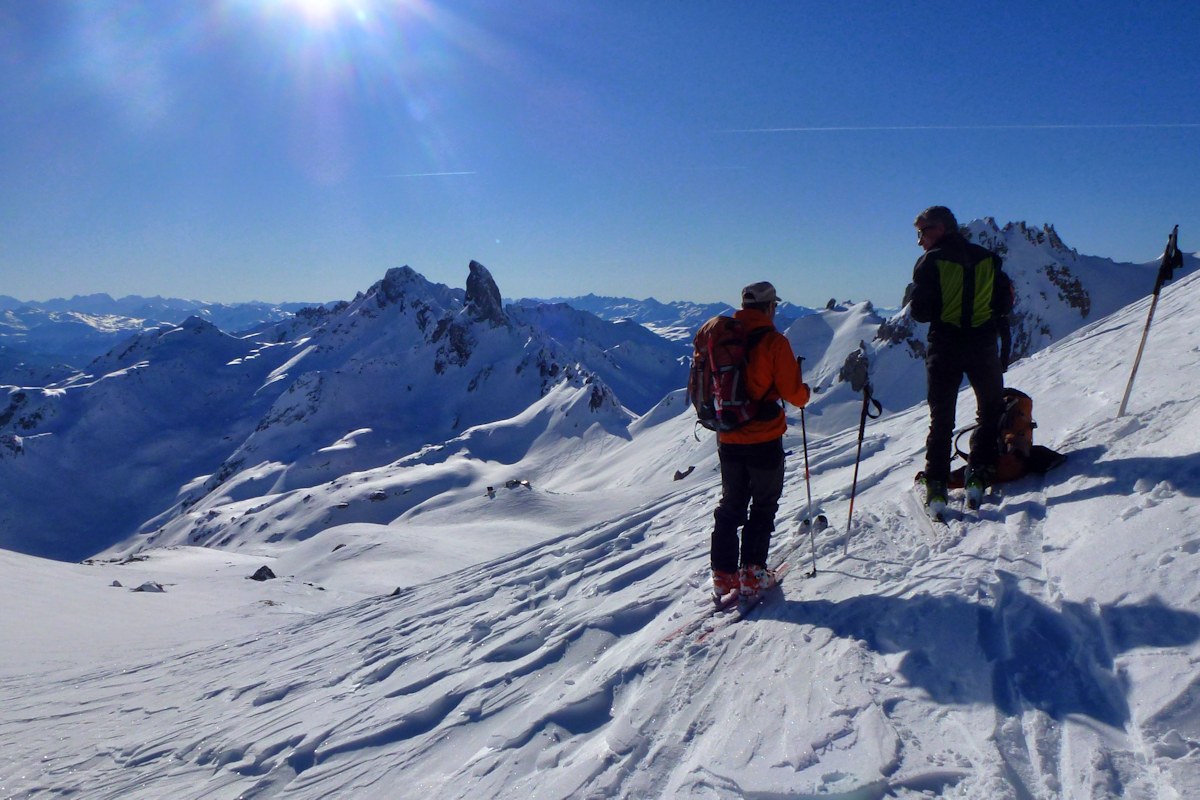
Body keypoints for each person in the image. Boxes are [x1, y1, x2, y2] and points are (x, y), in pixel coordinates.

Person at [907, 206, 1014, 509]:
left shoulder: (930, 262)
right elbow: (1003, 302)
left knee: (942, 418)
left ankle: (937, 484)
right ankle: (979, 472)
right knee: (989, 410)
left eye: (923, 232)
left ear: (940, 229)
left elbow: (921, 312)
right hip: (982, 345)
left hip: (945, 345)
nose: (920, 240)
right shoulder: (988, 259)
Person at [710, 281, 811, 599]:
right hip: (763, 438)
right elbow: (794, 394)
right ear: (769, 307)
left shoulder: (721, 337)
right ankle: (752, 572)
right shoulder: (774, 342)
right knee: (763, 504)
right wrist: (804, 393)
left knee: (731, 503)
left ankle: (723, 573)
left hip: (728, 435)